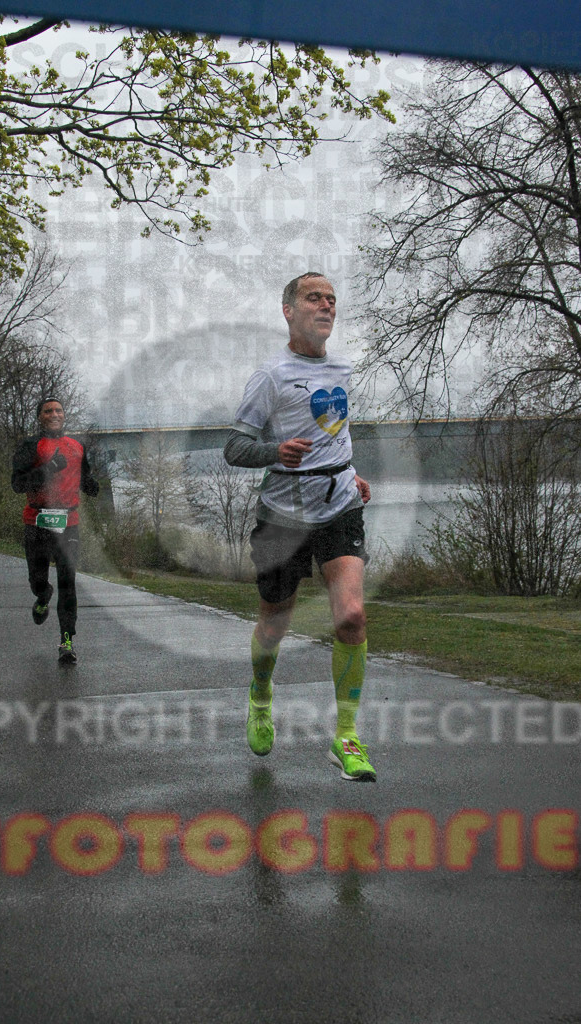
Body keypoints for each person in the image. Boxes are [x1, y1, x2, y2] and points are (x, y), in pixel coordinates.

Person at [224, 271, 375, 781]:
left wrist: (352, 474)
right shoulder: (271, 375)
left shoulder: (343, 368)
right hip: (283, 516)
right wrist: (276, 451)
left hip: (338, 507)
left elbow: (335, 435)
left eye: (332, 299)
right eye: (314, 298)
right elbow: (235, 448)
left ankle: (347, 736)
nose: (326, 306)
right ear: (288, 310)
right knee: (274, 623)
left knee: (351, 615)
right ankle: (261, 695)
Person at [11, 398, 100, 664]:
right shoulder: (30, 446)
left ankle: (67, 640)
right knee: (38, 579)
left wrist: (91, 487)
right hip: (37, 520)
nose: (54, 414)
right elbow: (18, 484)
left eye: (58, 410)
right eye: (48, 411)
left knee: (68, 583)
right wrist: (49, 468)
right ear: (39, 416)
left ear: (65, 415)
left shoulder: (76, 446)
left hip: (68, 523)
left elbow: (83, 477)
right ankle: (42, 594)